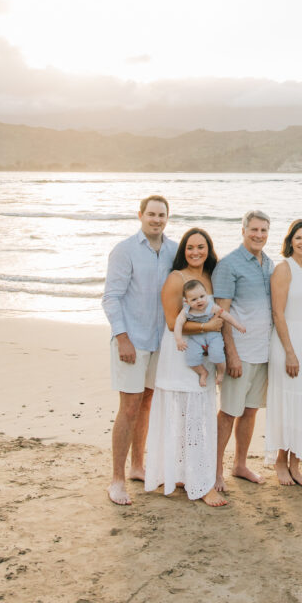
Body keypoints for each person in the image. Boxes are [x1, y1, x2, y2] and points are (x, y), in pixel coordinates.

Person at [103, 194, 176, 506]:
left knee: (147, 405)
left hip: (161, 343)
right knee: (129, 407)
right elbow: (111, 297)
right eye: (151, 214)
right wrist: (122, 338)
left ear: (167, 218)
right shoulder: (125, 250)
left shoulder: (174, 250)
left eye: (161, 215)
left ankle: (137, 467)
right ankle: (117, 480)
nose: (156, 220)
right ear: (140, 215)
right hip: (131, 342)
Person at [144, 228, 227, 507]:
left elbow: (215, 312)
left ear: (209, 249)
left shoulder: (209, 277)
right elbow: (171, 323)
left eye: (201, 247)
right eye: (190, 247)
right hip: (180, 354)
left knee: (199, 417)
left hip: (203, 354)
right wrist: (207, 327)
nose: (196, 252)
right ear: (183, 250)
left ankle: (193, 476)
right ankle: (196, 483)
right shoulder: (175, 278)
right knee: (183, 415)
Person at [213, 210, 274, 491]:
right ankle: (215, 471)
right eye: (254, 230)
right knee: (228, 412)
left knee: (250, 412)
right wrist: (231, 354)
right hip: (241, 353)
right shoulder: (229, 265)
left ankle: (239, 464)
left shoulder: (269, 264)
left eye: (263, 230)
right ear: (243, 230)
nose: (258, 235)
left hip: (264, 352)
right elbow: (222, 315)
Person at [265, 219, 302, 488]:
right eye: (298, 237)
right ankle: (280, 461)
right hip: (287, 341)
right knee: (287, 400)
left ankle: (296, 465)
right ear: (290, 241)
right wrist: (289, 352)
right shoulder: (283, 269)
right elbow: (278, 313)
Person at [174, 279, 245, 387]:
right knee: (191, 359)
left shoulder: (212, 307)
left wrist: (237, 325)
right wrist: (179, 339)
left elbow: (226, 316)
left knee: (217, 355)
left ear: (206, 294)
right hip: (196, 338)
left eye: (202, 296)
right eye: (194, 299)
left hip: (213, 336)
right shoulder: (186, 311)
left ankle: (220, 372)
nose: (199, 301)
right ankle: (203, 372)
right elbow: (178, 324)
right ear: (186, 301)